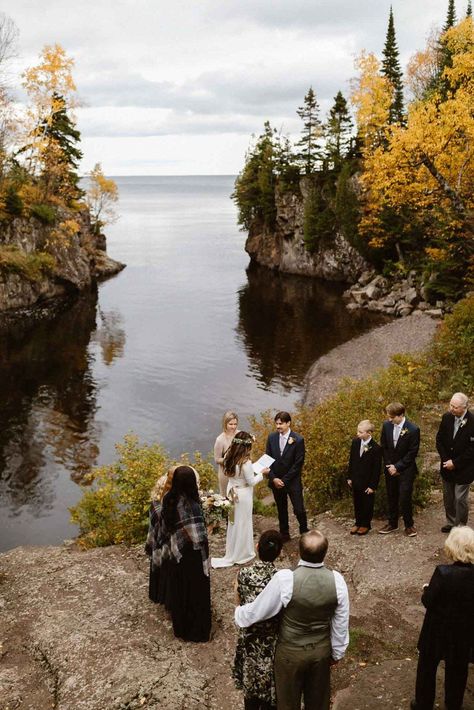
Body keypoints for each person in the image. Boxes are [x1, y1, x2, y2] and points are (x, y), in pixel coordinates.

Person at [235, 530, 349, 710]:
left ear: (299, 551)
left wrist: (239, 612)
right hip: (320, 651)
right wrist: (337, 652)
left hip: (289, 653)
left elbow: (258, 611)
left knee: (287, 703)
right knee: (318, 703)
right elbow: (340, 623)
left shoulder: (285, 579)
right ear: (325, 553)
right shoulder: (337, 581)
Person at [412, 526, 474, 710]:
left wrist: (426, 589)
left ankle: (423, 703)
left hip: (437, 630)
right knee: (458, 668)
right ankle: (453, 703)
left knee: (427, 667)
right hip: (463, 631)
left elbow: (428, 601)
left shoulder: (443, 573)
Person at [155, 465, 211, 642]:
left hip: (175, 552)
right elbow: (199, 538)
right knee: (195, 593)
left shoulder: (168, 500)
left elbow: (164, 530)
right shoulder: (192, 506)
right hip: (192, 557)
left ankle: (181, 629)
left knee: (179, 591)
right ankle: (197, 632)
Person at [232, 530, 283, 710]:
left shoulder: (243, 574)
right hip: (272, 642)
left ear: (257, 548)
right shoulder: (281, 578)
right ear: (279, 553)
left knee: (251, 689)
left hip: (250, 639)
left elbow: (238, 603)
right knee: (270, 690)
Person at [211, 431, 266, 568]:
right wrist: (262, 474)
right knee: (243, 522)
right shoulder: (245, 463)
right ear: (246, 447)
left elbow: (235, 475)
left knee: (234, 522)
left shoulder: (229, 457)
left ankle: (233, 550)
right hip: (243, 495)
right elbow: (251, 481)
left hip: (232, 491)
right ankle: (242, 553)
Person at [265, 411, 308, 542]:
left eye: (281, 423)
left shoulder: (298, 440)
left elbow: (298, 463)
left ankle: (304, 530)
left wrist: (284, 480)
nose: (278, 426)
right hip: (276, 479)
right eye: (276, 423)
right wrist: (273, 478)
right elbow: (267, 459)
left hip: (292, 481)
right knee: (281, 509)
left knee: (299, 508)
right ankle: (284, 533)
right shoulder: (271, 438)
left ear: (288, 423)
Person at [379, 402, 420, 537]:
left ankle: (409, 525)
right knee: (391, 495)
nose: (389, 419)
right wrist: (390, 465)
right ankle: (392, 523)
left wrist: (398, 467)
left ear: (401, 415)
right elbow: (384, 447)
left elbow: (412, 452)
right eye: (389, 417)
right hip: (389, 468)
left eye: (392, 417)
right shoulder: (386, 426)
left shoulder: (413, 429)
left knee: (405, 497)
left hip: (406, 469)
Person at [436, 392, 474, 532]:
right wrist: (446, 460)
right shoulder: (446, 417)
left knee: (460, 499)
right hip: (447, 466)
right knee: (448, 498)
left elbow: (472, 449)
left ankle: (461, 526)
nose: (451, 408)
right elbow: (439, 440)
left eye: (455, 407)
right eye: (451, 405)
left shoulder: (473, 421)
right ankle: (451, 522)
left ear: (464, 407)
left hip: (464, 468)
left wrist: (456, 463)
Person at [145, 465, 178, 607]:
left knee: (157, 569)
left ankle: (156, 594)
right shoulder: (162, 508)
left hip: (156, 544)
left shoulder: (155, 505)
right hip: (164, 546)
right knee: (165, 570)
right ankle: (164, 596)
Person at [347, 420, 382, 535]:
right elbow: (352, 461)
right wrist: (349, 477)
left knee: (367, 503)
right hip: (356, 479)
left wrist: (373, 486)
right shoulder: (355, 443)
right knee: (357, 502)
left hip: (367, 482)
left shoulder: (376, 448)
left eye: (360, 432)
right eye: (358, 431)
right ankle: (358, 522)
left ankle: (366, 524)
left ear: (369, 433)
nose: (358, 434)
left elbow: (377, 469)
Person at [214, 410, 239, 497]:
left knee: (238, 497)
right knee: (226, 498)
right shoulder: (220, 439)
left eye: (235, 424)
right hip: (225, 474)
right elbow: (217, 459)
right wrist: (229, 460)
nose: (233, 427)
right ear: (225, 424)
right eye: (230, 424)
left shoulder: (240, 435)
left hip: (239, 472)